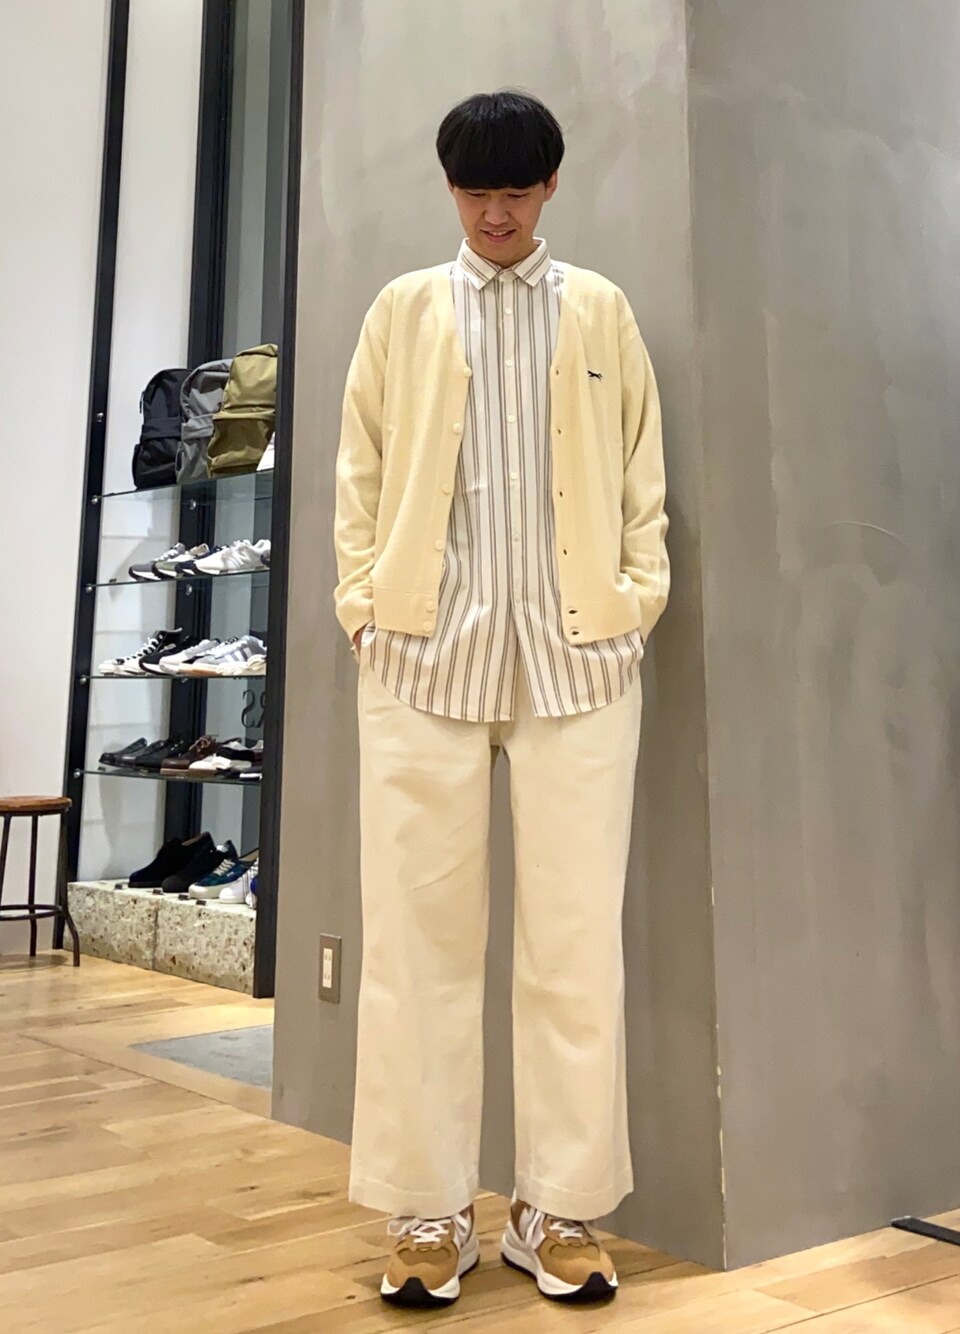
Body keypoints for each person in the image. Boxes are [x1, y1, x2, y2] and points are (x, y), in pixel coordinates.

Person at [334, 89, 670, 1310]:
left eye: (514, 191)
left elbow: (639, 471)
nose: (494, 212)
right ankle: (428, 1209)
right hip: (422, 660)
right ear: (450, 190)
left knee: (574, 942)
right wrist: (364, 607)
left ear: (550, 187)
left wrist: (634, 602)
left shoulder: (600, 308)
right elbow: (359, 468)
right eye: (475, 191)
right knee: (413, 943)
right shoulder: (404, 309)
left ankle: (554, 1206)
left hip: (578, 664)